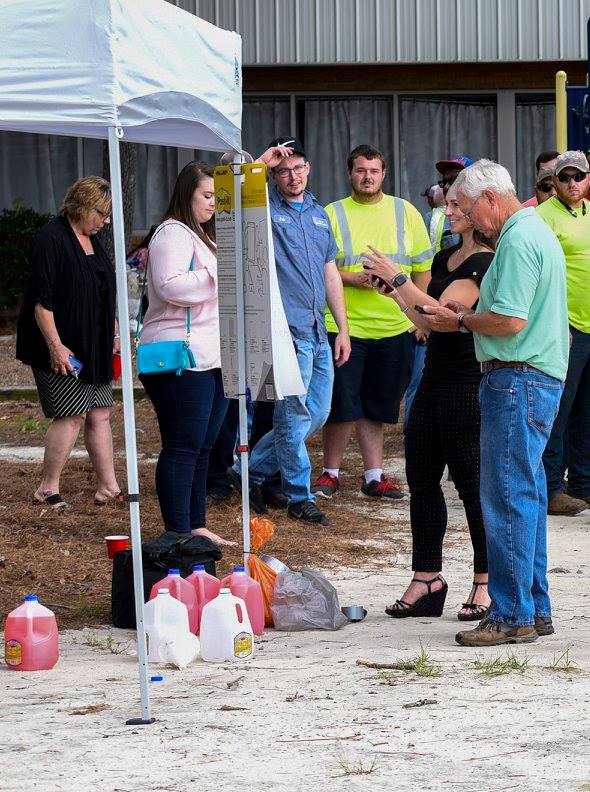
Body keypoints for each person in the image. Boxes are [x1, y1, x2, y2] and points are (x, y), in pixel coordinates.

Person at [422, 160, 568, 648]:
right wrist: (472, 314)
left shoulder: (519, 238)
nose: (465, 217)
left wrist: (462, 322)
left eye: (466, 207)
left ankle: (510, 613)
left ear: (490, 197)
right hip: (532, 375)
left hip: (516, 376)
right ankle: (533, 607)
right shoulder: (532, 231)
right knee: (524, 495)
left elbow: (509, 320)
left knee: (506, 497)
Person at [366, 184, 494, 621]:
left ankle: (485, 581)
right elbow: (424, 323)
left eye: (457, 205)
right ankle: (427, 579)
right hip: (432, 380)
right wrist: (396, 294)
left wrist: (400, 279)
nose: (448, 209)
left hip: (465, 383)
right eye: (449, 203)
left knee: (471, 487)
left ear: (477, 210)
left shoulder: (485, 262)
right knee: (421, 480)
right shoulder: (445, 258)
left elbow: (444, 317)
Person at [317, 144, 433, 501]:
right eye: (360, 170)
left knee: (377, 406)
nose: (367, 177)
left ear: (384, 174)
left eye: (374, 171)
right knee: (340, 405)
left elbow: (423, 268)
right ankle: (330, 474)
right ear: (349, 173)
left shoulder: (405, 211)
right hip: (344, 327)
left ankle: (373, 476)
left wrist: (420, 319)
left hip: (394, 326)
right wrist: (353, 279)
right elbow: (320, 269)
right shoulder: (332, 213)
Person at [246, 139, 350, 526]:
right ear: (274, 175)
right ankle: (299, 496)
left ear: (308, 168)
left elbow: (330, 273)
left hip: (317, 329)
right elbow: (237, 196)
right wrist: (262, 162)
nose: (293, 176)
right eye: (284, 170)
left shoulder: (319, 214)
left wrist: (343, 329)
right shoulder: (263, 210)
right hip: (287, 329)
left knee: (316, 413)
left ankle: (246, 471)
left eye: (298, 168)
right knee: (293, 414)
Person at [136, 162, 235, 545]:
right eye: (206, 196)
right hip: (179, 355)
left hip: (211, 356)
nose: (213, 204)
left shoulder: (205, 235)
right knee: (182, 446)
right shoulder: (172, 232)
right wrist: (217, 274)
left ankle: (195, 525)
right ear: (186, 193)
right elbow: (170, 286)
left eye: (216, 197)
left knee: (202, 447)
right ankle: (176, 531)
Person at [17, 177, 118, 511]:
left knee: (100, 412)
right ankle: (48, 488)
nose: (106, 221)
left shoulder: (93, 238)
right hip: (60, 345)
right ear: (82, 206)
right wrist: (56, 346)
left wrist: (114, 330)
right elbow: (41, 302)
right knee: (71, 414)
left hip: (95, 344)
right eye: (102, 213)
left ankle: (108, 487)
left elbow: (102, 287)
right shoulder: (51, 238)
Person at [535, 151, 590, 516]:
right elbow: (538, 276)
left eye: (578, 176)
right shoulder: (541, 218)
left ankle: (585, 482)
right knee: (558, 410)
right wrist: (554, 322)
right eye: (565, 177)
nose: (572, 183)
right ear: (554, 181)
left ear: (589, 179)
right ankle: (551, 487)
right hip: (563, 327)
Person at [430, 155, 473, 251]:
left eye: (454, 180)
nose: (446, 187)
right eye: (444, 181)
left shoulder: (486, 224)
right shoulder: (436, 216)